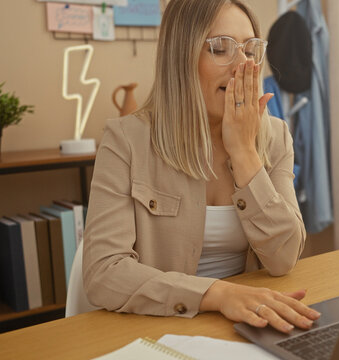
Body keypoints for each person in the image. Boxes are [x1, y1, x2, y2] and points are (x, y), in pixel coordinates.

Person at [82, 0, 319, 334]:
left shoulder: (276, 135)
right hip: (158, 327)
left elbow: (283, 259)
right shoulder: (126, 140)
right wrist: (218, 293)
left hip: (244, 325)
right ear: (181, 58)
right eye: (221, 48)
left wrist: (244, 154)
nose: (242, 65)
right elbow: (103, 274)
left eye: (250, 50)